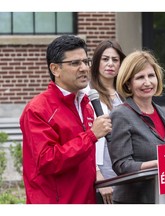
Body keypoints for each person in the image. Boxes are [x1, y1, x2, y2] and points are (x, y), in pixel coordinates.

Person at [19, 35, 112, 204]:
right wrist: (91, 136)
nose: (84, 68)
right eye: (75, 63)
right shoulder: (37, 109)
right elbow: (48, 161)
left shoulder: (87, 105)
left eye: (86, 61)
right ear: (55, 69)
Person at [107, 50, 165, 204]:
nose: (147, 82)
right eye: (140, 77)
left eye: (151, 76)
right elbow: (122, 165)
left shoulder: (163, 114)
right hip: (133, 201)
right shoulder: (120, 114)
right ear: (128, 83)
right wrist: (158, 164)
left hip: (162, 198)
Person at [88, 39, 126, 204]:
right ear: (97, 62)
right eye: (105, 59)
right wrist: (98, 175)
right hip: (102, 171)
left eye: (115, 60)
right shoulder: (88, 95)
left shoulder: (125, 95)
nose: (110, 64)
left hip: (125, 169)